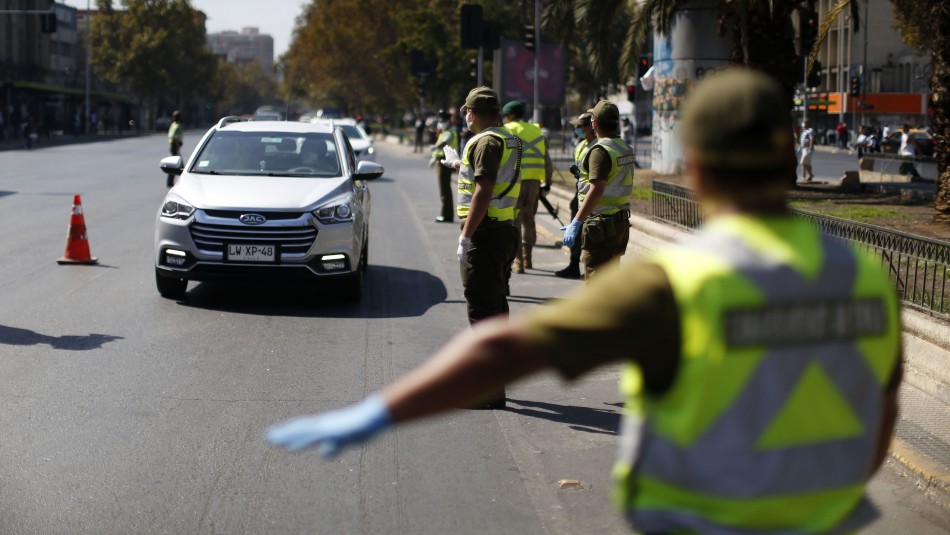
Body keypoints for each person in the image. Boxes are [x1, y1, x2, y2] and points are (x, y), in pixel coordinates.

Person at [266, 69, 903, 534]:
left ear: (698, 169)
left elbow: (502, 349)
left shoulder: (681, 281)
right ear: (788, 156)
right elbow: (879, 416)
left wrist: (378, 412)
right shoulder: (864, 275)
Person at [560, 100, 634, 280]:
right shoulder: (624, 147)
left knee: (596, 281)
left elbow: (597, 189)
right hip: (620, 221)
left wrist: (576, 221)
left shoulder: (600, 150)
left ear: (594, 122)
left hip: (601, 224)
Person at [502, 100, 552, 273]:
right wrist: (547, 183)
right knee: (529, 220)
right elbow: (547, 161)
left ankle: (518, 262)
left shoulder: (507, 130)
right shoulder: (537, 131)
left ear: (510, 115)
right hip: (534, 182)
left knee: (515, 221)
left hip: (514, 181)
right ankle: (527, 258)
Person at [554, 112, 594, 279]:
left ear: (590, 127)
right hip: (580, 193)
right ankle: (573, 265)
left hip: (593, 195)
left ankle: (591, 269)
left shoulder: (597, 146)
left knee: (590, 234)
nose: (577, 130)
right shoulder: (580, 146)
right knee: (576, 233)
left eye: (580, 126)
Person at [432, 113, 460, 223]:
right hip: (443, 161)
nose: (441, 123)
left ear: (448, 121)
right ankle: (446, 214)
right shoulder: (444, 131)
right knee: (445, 189)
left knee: (444, 189)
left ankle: (446, 215)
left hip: (445, 162)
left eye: (443, 121)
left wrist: (435, 147)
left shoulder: (449, 132)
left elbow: (444, 143)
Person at [167, 110, 184, 187]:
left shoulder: (173, 125)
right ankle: (183, 182)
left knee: (174, 165)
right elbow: (175, 138)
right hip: (175, 146)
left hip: (172, 146)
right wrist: (178, 149)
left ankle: (170, 182)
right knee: (179, 166)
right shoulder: (177, 126)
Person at [799, 118, 815, 182]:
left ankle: (810, 175)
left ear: (807, 123)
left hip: (807, 148)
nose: (803, 124)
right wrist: (800, 147)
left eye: (804, 123)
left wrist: (810, 148)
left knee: (803, 162)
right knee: (806, 163)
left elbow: (811, 139)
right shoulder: (804, 131)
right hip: (803, 148)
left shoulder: (810, 130)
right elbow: (803, 140)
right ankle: (810, 175)